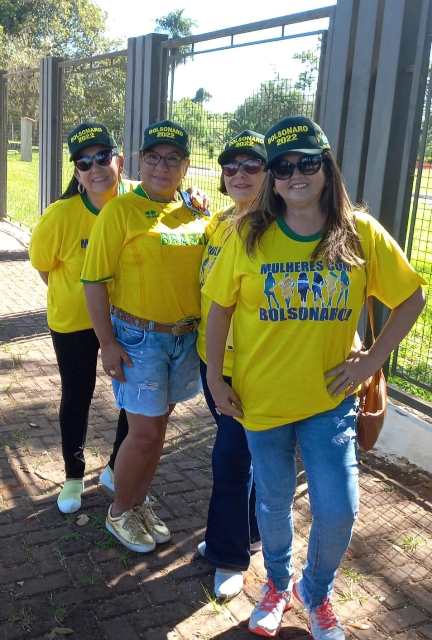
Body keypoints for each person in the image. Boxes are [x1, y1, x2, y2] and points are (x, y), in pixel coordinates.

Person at [203, 115, 425, 639]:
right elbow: (218, 309)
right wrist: (215, 377)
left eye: (307, 162)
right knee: (274, 502)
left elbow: (411, 298)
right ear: (273, 178)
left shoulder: (358, 233)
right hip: (261, 400)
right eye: (283, 166)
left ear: (326, 167)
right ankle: (277, 585)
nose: (295, 174)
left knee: (339, 507)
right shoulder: (249, 235)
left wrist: (371, 362)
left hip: (329, 402)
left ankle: (315, 591)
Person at [81, 119, 212, 553]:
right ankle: (120, 511)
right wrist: (107, 344)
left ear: (186, 166)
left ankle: (136, 500)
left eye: (172, 158)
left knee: (158, 430)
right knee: (143, 433)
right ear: (140, 161)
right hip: (139, 339)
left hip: (183, 339)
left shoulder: (193, 209)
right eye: (153, 157)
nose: (162, 165)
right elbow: (94, 281)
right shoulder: (120, 211)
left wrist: (201, 208)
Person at [30, 122, 135, 514]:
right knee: (77, 394)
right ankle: (73, 476)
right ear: (76, 172)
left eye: (102, 157)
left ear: (118, 161)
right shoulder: (60, 215)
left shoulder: (134, 205)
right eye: (84, 161)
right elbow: (44, 266)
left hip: (125, 321)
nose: (95, 168)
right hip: (72, 323)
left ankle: (114, 468)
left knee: (132, 396)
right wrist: (72, 296)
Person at [197, 131, 266, 599]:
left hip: (253, 366)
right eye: (230, 167)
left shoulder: (277, 229)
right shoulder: (219, 222)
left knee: (231, 458)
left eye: (251, 166)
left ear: (271, 172)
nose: (239, 174)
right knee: (245, 453)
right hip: (213, 359)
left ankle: (228, 554)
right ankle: (251, 534)